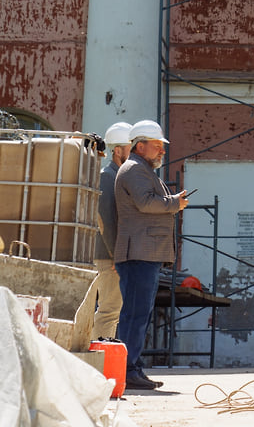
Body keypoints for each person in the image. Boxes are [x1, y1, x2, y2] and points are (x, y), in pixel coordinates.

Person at [114, 119, 190, 392]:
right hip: (138, 254)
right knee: (135, 315)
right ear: (140, 145)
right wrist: (175, 203)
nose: (162, 152)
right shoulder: (135, 169)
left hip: (143, 253)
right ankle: (127, 369)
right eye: (157, 146)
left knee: (138, 314)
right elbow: (146, 202)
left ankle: (132, 367)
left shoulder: (141, 169)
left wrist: (172, 202)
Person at [73, 121, 133, 342]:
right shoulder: (109, 177)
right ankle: (101, 361)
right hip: (109, 256)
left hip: (111, 254)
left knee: (110, 311)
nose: (134, 151)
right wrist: (118, 257)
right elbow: (105, 220)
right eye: (130, 147)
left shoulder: (118, 175)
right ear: (118, 150)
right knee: (109, 311)